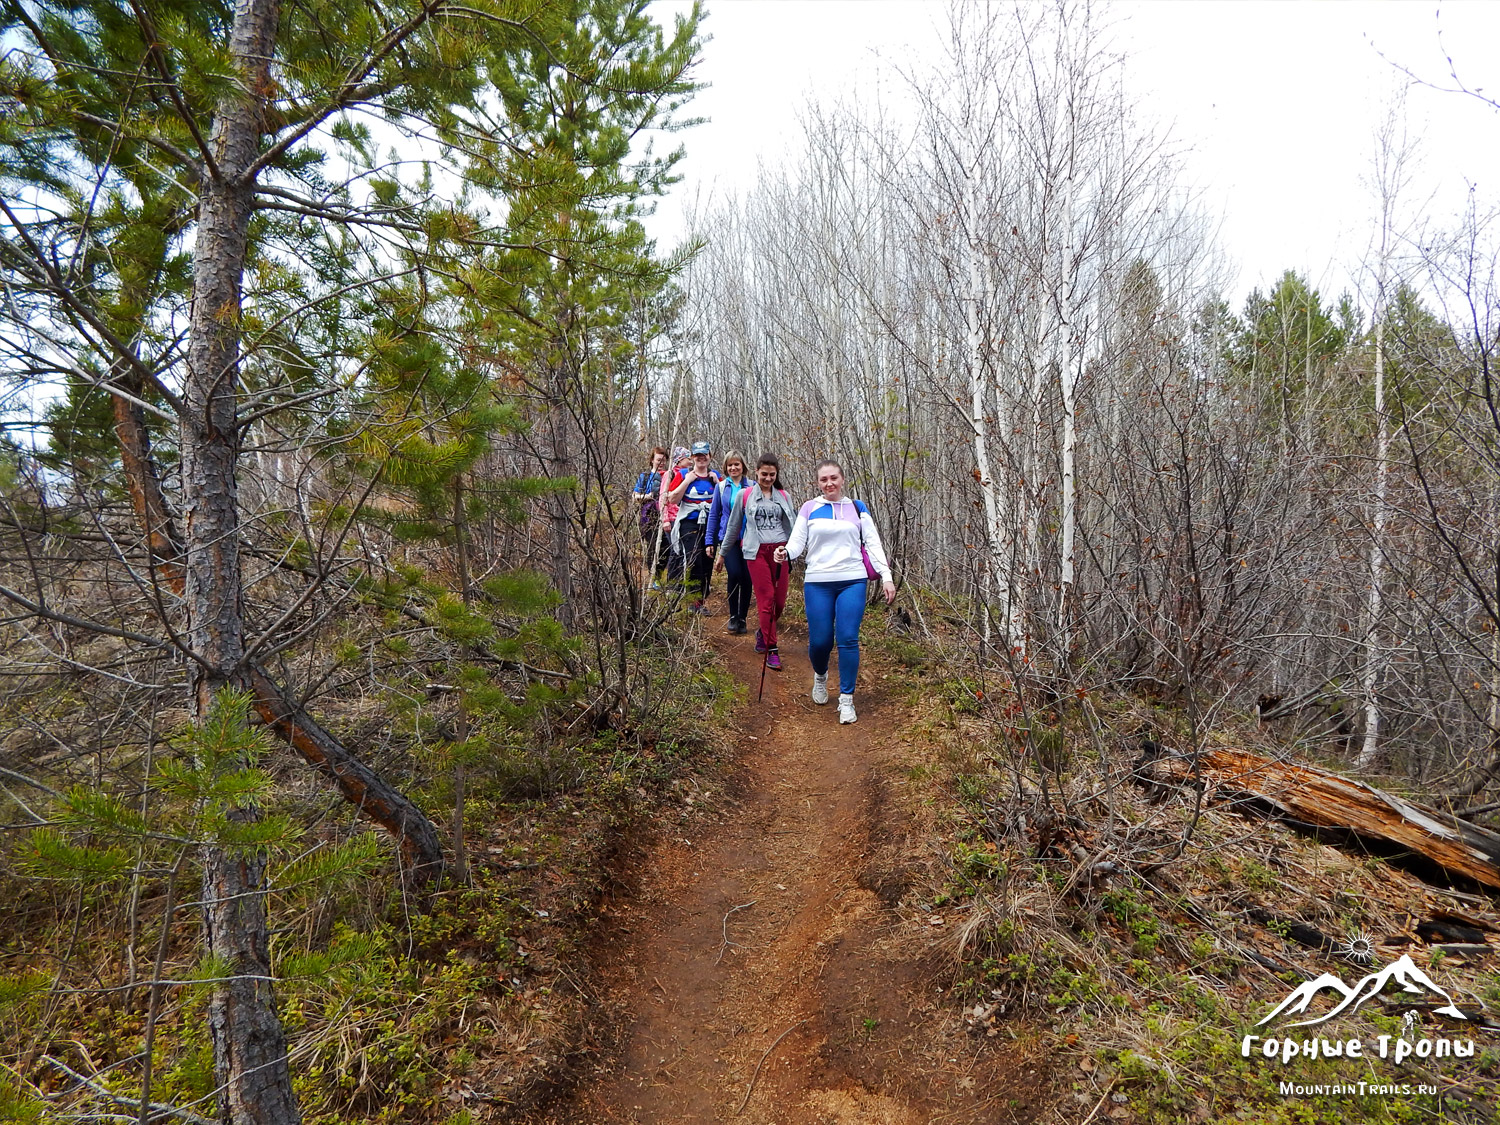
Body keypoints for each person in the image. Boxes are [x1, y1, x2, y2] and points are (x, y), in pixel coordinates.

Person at [775, 460, 895, 724]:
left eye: (833, 478)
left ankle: (846, 700)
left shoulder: (857, 507)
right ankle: (820, 676)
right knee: (820, 642)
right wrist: (785, 552)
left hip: (853, 579)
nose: (829, 484)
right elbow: (797, 543)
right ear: (818, 483)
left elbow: (873, 543)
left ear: (842, 479)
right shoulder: (809, 508)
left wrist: (886, 576)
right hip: (818, 581)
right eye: (823, 479)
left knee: (848, 638)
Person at [720, 454, 795, 670]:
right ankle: (772, 649)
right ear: (756, 472)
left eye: (772, 474)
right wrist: (722, 555)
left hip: (780, 551)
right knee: (767, 599)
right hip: (756, 552)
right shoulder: (745, 496)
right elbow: (733, 528)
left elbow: (794, 526)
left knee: (779, 602)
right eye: (764, 474)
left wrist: (794, 551)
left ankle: (763, 632)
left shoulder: (783, 496)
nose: (768, 478)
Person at [665, 441, 719, 611]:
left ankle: (700, 600)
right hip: (688, 523)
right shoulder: (683, 474)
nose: (701, 458)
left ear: (710, 456)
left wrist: (718, 483)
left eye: (704, 455)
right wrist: (687, 481)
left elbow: (725, 500)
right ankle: (692, 600)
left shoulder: (715, 476)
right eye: (698, 455)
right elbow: (672, 499)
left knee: (707, 562)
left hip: (710, 524)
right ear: (693, 457)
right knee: (694, 560)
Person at [705, 450, 753, 634]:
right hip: (728, 539)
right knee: (734, 573)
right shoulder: (721, 487)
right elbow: (714, 516)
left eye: (737, 464)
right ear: (725, 467)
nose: (733, 468)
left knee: (747, 578)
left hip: (749, 539)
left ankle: (743, 617)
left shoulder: (752, 487)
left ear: (743, 466)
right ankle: (733, 616)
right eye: (730, 465)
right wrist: (710, 540)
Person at [632, 446, 669, 584]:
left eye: (664, 460)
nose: (661, 463)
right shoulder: (645, 477)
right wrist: (649, 496)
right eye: (659, 459)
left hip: (666, 515)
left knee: (666, 547)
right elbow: (635, 496)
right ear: (652, 460)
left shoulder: (669, 475)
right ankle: (654, 578)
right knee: (653, 546)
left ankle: (659, 574)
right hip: (649, 515)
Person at [658, 446, 691, 581]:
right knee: (675, 550)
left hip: (682, 517)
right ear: (680, 459)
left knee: (682, 551)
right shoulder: (670, 474)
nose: (690, 461)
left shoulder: (687, 474)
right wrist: (665, 519)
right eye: (688, 458)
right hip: (671, 518)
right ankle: (672, 583)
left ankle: (681, 581)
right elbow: (662, 497)